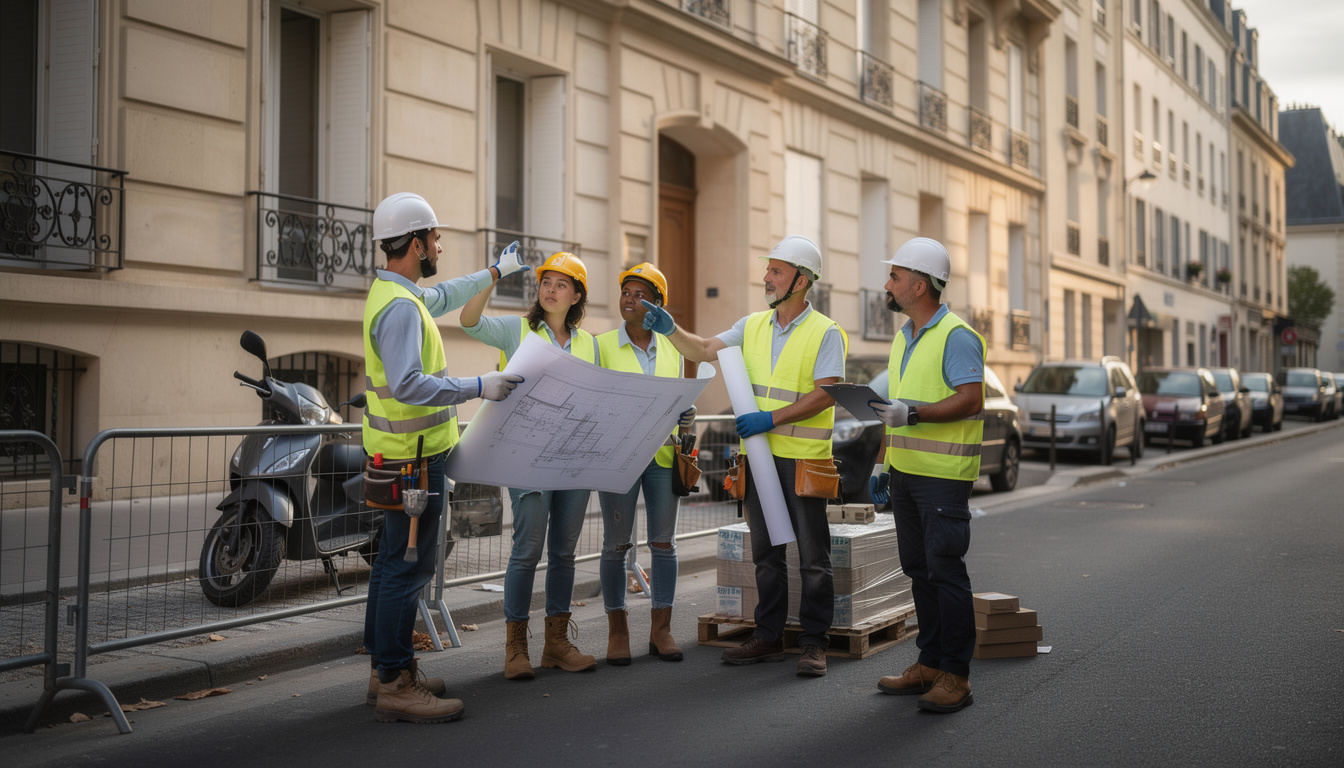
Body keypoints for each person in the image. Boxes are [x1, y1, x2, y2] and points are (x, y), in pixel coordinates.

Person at [642, 235, 846, 678]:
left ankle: (814, 644)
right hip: (758, 459)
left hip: (804, 460)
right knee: (766, 554)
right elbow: (702, 350)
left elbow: (827, 393)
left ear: (801, 280)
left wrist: (770, 420)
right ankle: (769, 636)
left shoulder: (825, 332)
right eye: (768, 269)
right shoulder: (751, 325)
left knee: (813, 559)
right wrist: (670, 329)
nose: (766, 277)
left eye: (776, 270)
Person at [362, 192, 527, 723]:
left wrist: (494, 273)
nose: (439, 246)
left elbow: (447, 295)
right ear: (415, 244)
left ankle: (387, 671)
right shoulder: (399, 308)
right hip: (412, 464)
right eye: (434, 238)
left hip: (404, 458)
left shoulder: (399, 295)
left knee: (392, 565)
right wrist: (480, 385)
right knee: (406, 570)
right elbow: (409, 385)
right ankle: (395, 682)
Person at [460, 250, 600, 680]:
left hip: (573, 460)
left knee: (564, 553)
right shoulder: (516, 330)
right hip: (526, 458)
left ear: (577, 296)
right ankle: (515, 647)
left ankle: (556, 644)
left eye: (561, 284)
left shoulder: (589, 344)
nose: (551, 290)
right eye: (546, 282)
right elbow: (468, 321)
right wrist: (494, 275)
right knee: (526, 552)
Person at [868, 237, 985, 714]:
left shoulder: (956, 335)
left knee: (945, 571)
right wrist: (882, 461)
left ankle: (956, 675)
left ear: (919, 286)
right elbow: (892, 409)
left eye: (894, 277)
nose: (887, 284)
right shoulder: (904, 337)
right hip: (905, 473)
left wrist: (912, 415)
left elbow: (971, 399)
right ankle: (931, 662)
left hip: (942, 477)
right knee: (919, 571)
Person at [595, 263, 696, 666]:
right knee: (616, 546)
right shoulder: (601, 346)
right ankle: (617, 633)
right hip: (618, 456)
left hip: (662, 457)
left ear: (657, 305)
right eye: (626, 292)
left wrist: (687, 415)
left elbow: (677, 400)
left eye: (640, 295)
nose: (630, 300)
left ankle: (661, 630)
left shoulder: (672, 347)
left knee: (664, 545)